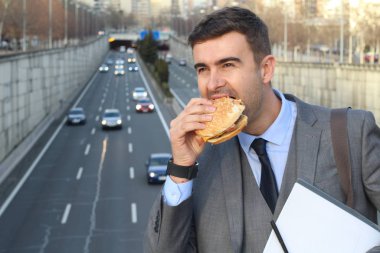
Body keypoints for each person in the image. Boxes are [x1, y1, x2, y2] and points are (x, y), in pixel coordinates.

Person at [144, 6, 380, 253]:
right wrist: (181, 168)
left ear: (266, 69)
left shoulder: (351, 133)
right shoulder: (200, 162)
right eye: (203, 69)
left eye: (227, 65)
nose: (213, 83)